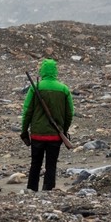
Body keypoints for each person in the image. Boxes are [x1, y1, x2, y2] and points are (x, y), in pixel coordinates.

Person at [20, 58, 74, 191]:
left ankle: (31, 189)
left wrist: (24, 130)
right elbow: (69, 113)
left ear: (42, 71)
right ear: (55, 71)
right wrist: (63, 130)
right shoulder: (63, 89)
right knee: (51, 165)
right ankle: (48, 189)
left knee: (35, 164)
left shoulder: (35, 88)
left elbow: (27, 111)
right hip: (55, 135)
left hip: (37, 134)